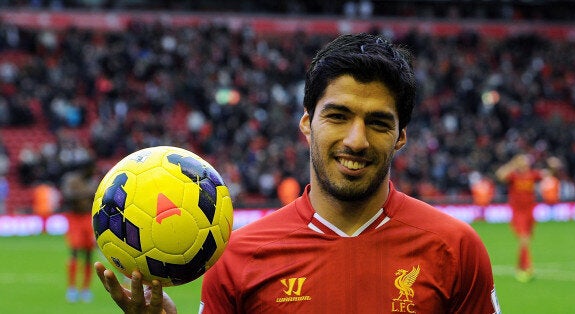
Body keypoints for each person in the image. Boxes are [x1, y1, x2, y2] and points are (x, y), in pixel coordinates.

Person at [95, 33, 500, 313]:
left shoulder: (455, 249)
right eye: (338, 116)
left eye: (378, 122)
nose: (356, 140)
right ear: (307, 123)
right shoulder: (238, 257)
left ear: (400, 137)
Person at [495, 153, 543, 283]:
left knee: (526, 239)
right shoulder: (513, 176)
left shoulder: (533, 175)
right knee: (523, 239)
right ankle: (526, 268)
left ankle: (520, 267)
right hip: (518, 213)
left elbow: (547, 174)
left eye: (525, 161)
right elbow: (500, 175)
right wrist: (512, 164)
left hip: (530, 212)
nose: (524, 164)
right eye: (521, 161)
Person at [61, 160, 100, 302]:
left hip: (87, 217)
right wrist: (87, 192)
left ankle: (85, 289)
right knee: (75, 251)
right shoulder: (72, 179)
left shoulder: (93, 181)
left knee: (89, 254)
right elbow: (68, 195)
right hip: (75, 218)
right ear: (86, 169)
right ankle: (71, 288)